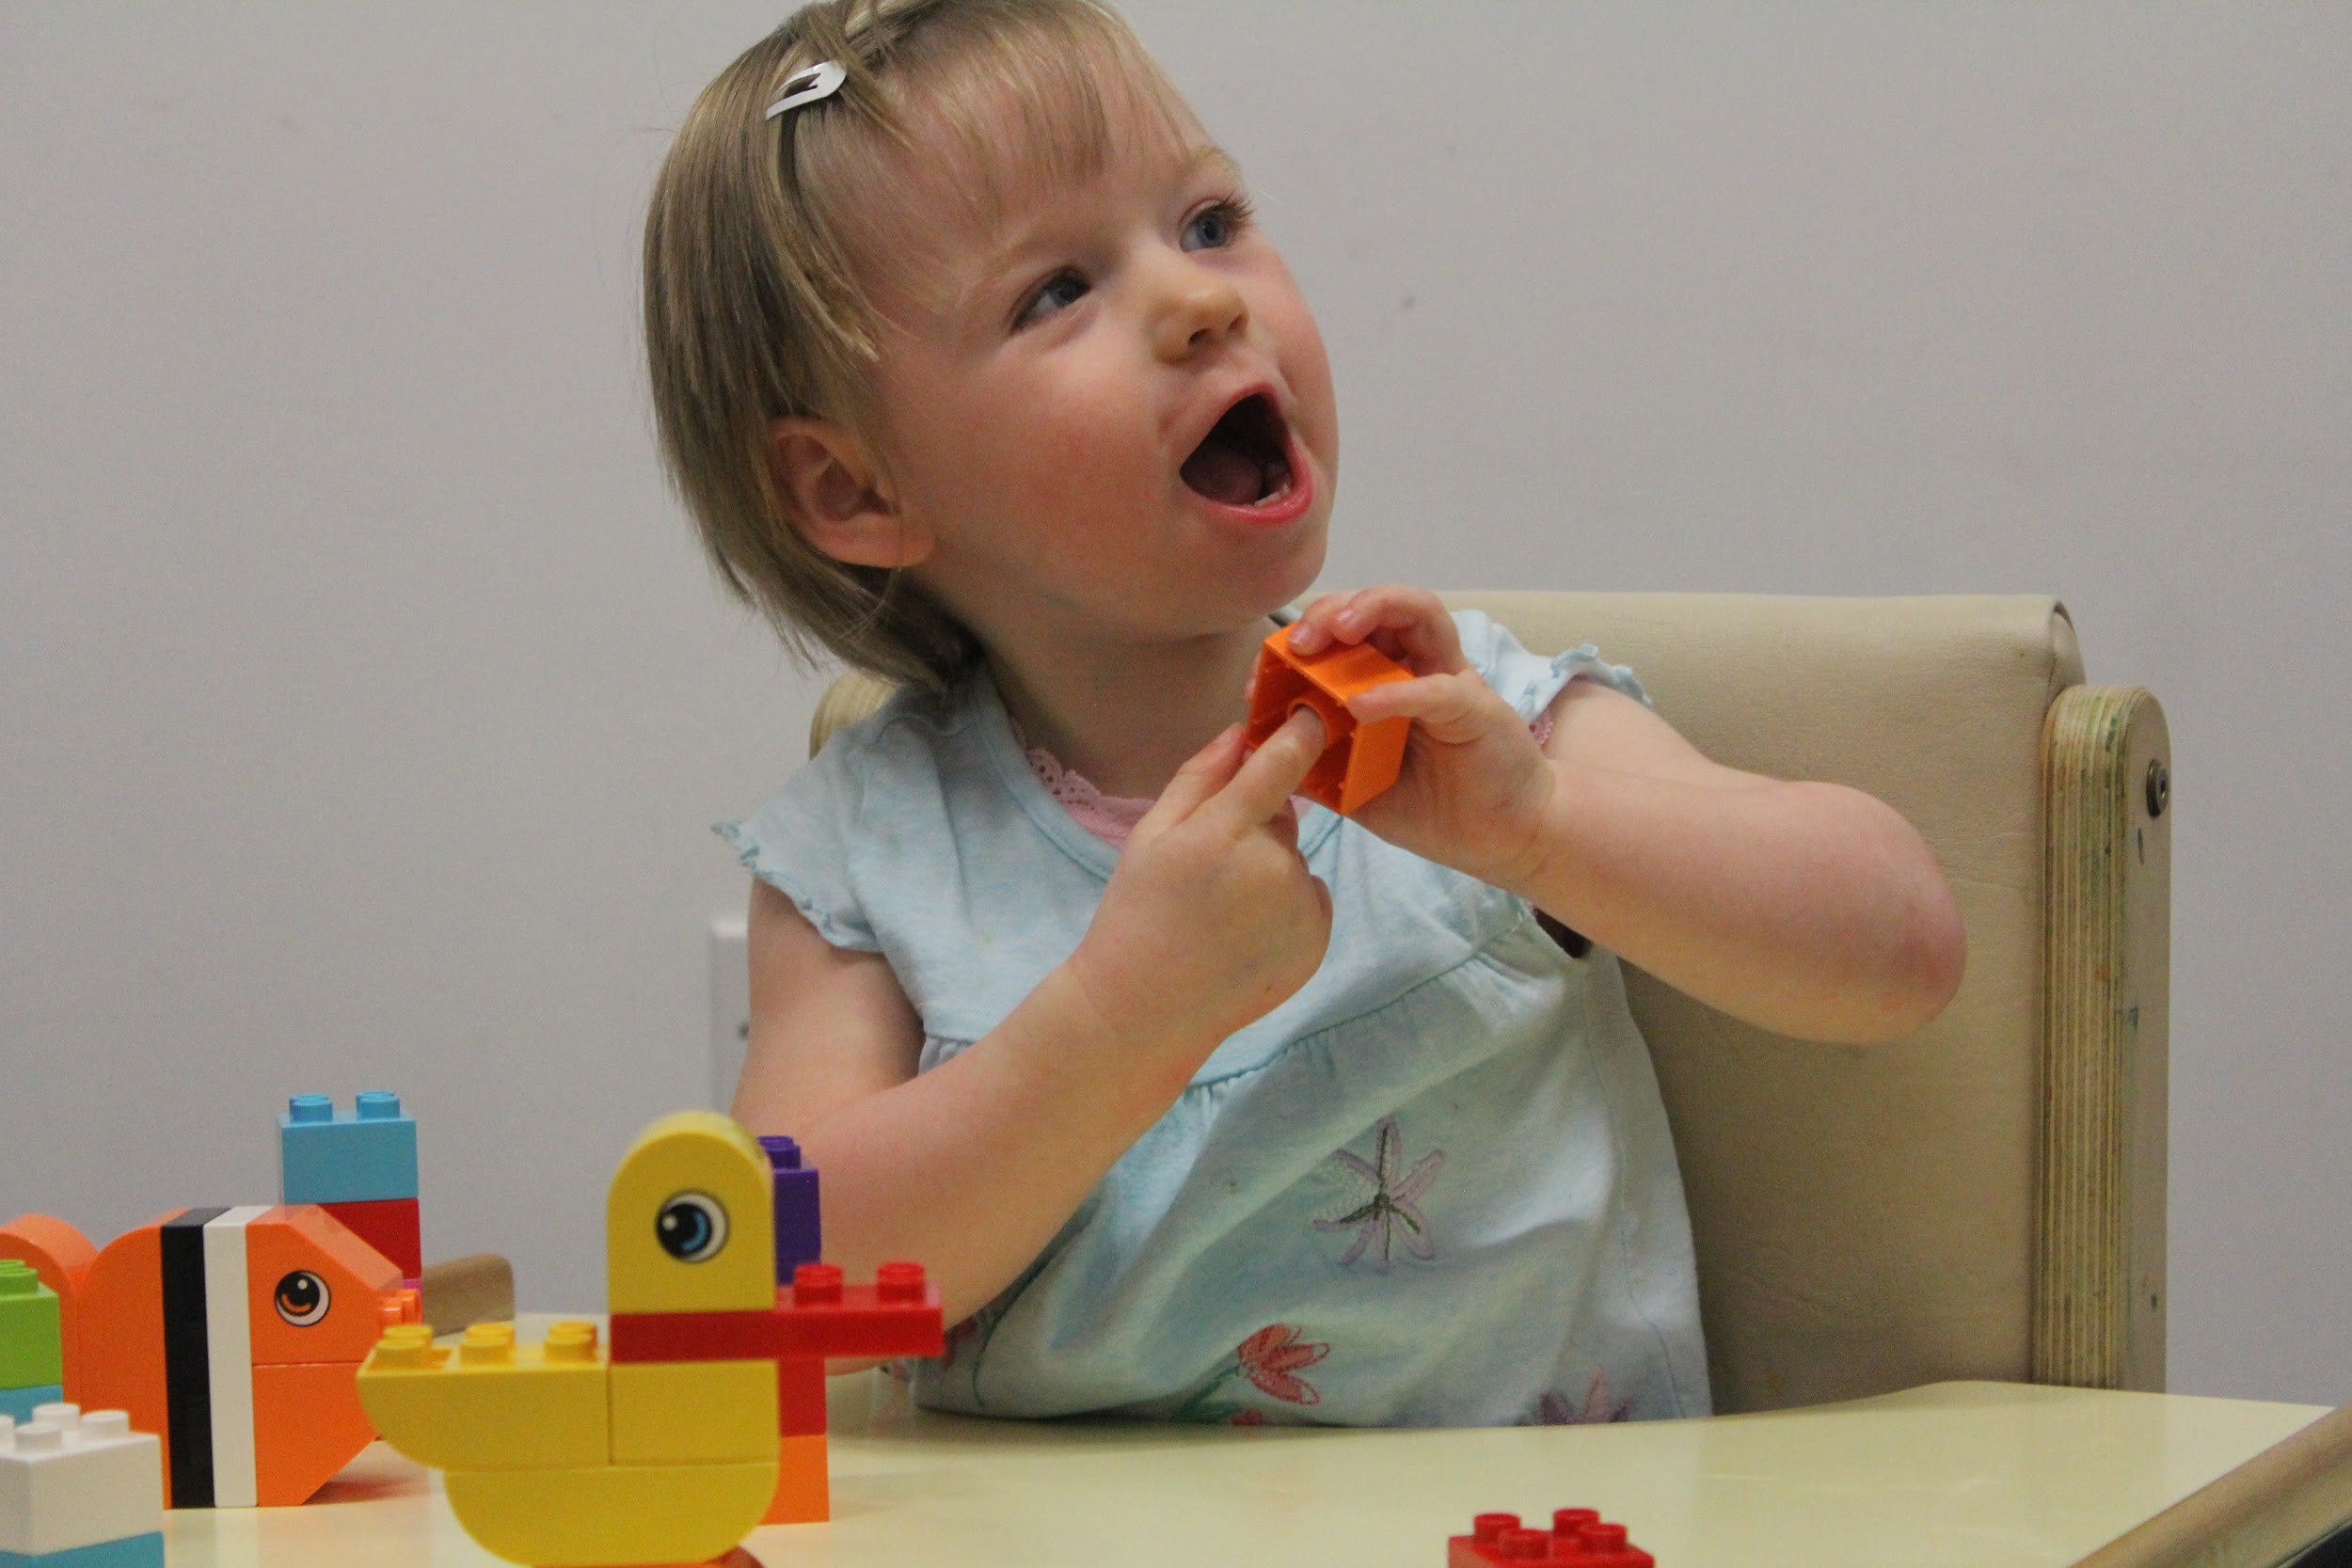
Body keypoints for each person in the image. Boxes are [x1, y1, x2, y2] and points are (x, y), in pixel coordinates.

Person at [643, 0, 1964, 1427]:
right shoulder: (873, 857)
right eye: (1055, 291)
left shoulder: (1480, 728)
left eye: (1208, 221)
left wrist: (1545, 834)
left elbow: (1898, 948)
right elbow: (771, 1280)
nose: (1203, 299)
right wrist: (1112, 1019)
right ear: (856, 491)